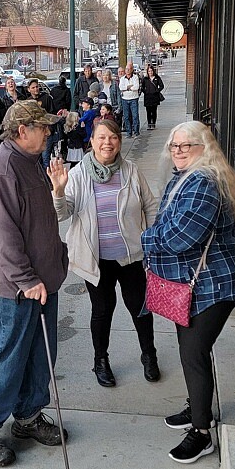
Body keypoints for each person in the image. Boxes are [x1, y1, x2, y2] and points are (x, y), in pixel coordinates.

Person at [141, 122, 235, 464]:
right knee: (190, 351)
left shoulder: (202, 183)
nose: (177, 151)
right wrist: (156, 232)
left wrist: (142, 239)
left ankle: (202, 433)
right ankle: (198, 407)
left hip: (212, 284)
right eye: (174, 146)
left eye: (185, 146)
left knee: (193, 353)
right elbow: (166, 223)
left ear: (204, 147)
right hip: (192, 283)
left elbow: (177, 239)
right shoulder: (186, 175)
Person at [0, 100, 69, 467]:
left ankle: (27, 417)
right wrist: (26, 279)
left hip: (42, 281)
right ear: (21, 131)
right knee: (7, 358)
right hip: (17, 288)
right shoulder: (0, 170)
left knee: (40, 355)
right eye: (43, 127)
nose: (49, 132)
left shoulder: (30, 161)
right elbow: (2, 235)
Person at [49, 118, 160, 388]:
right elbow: (62, 215)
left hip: (130, 256)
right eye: (101, 137)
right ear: (92, 141)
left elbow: (151, 206)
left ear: (119, 141)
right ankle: (101, 360)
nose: (107, 142)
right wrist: (59, 191)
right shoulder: (77, 174)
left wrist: (151, 240)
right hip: (96, 260)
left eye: (112, 137)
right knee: (102, 311)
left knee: (140, 309)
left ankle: (149, 355)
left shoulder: (131, 171)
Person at [119, 62, 142, 137]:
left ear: (132, 69)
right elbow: (121, 88)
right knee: (126, 116)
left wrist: (127, 88)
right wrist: (129, 87)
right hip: (125, 99)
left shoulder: (135, 77)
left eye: (129, 69)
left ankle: (136, 131)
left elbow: (136, 87)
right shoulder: (122, 78)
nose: (128, 70)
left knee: (135, 116)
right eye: (126, 69)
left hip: (133, 99)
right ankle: (129, 132)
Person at [141, 64, 165, 130]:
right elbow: (142, 87)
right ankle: (149, 123)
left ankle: (153, 123)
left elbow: (162, 86)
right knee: (148, 111)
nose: (150, 72)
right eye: (149, 71)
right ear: (147, 72)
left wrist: (156, 91)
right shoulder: (145, 79)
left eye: (151, 71)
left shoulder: (157, 78)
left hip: (155, 97)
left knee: (154, 111)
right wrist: (145, 92)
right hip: (147, 97)